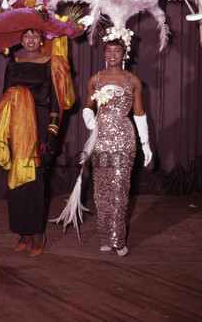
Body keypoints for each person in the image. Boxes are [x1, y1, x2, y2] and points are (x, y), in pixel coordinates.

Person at [0, 28, 72, 257]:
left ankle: (37, 233)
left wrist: (52, 131)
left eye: (35, 36)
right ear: (21, 40)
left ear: (41, 40)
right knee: (16, 177)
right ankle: (21, 231)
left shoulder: (50, 62)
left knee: (35, 177)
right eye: (26, 36)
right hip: (16, 124)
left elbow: (56, 99)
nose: (31, 40)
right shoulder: (13, 61)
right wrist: (3, 129)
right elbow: (5, 95)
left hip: (40, 123)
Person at [81, 28, 153, 256]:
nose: (113, 55)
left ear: (125, 54)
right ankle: (105, 236)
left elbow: (139, 113)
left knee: (121, 189)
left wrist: (146, 144)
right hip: (100, 138)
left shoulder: (133, 81)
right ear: (104, 53)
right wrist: (90, 120)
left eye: (117, 50)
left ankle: (117, 238)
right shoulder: (96, 79)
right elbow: (87, 107)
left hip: (124, 137)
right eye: (109, 50)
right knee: (102, 190)